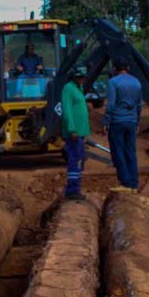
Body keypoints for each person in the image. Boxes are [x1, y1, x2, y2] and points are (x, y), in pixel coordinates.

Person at [104, 59, 143, 189]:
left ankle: (125, 182)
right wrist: (137, 121)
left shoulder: (113, 82)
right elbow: (139, 105)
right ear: (127, 68)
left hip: (117, 121)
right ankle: (134, 181)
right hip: (131, 122)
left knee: (118, 151)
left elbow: (110, 105)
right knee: (131, 152)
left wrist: (106, 121)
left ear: (115, 69)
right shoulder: (136, 82)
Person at [61, 66, 90, 200]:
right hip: (74, 133)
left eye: (83, 77)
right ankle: (72, 190)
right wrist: (72, 129)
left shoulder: (79, 88)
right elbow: (67, 111)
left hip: (80, 132)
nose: (82, 79)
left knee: (79, 160)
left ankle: (76, 188)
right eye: (79, 77)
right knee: (74, 160)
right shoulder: (68, 89)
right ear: (74, 76)